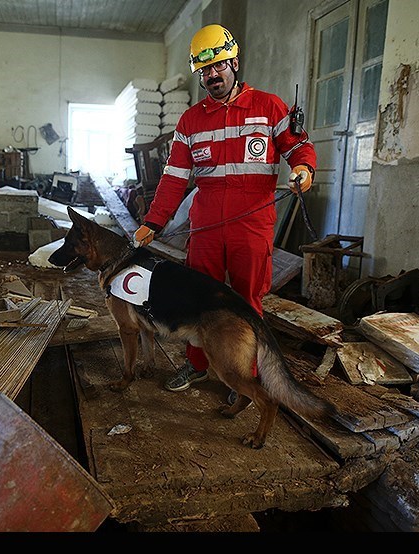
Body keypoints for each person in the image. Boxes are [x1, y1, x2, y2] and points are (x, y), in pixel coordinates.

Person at [133, 24, 317, 396]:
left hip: (252, 224)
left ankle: (244, 374)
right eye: (204, 71)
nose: (212, 75)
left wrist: (304, 169)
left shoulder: (269, 107)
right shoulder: (191, 121)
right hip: (206, 226)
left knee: (248, 302)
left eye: (218, 66)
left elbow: (298, 148)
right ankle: (198, 364)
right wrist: (153, 221)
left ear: (234, 62)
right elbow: (174, 178)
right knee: (197, 299)